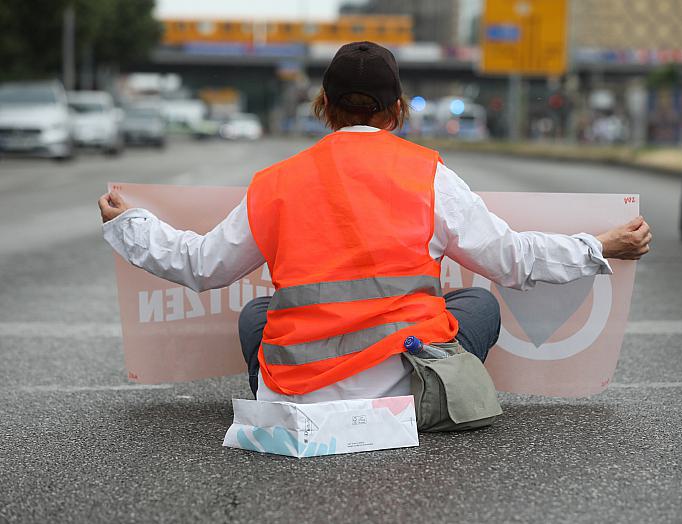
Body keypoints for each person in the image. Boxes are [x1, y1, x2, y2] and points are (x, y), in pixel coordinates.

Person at [99, 41, 652, 404]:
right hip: (408, 389)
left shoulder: (277, 180)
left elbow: (202, 266)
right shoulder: (427, 175)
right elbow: (512, 261)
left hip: (297, 391)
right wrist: (599, 246)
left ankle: (277, 394)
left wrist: (131, 225)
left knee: (257, 315)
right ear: (397, 111)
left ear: (325, 106)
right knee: (477, 304)